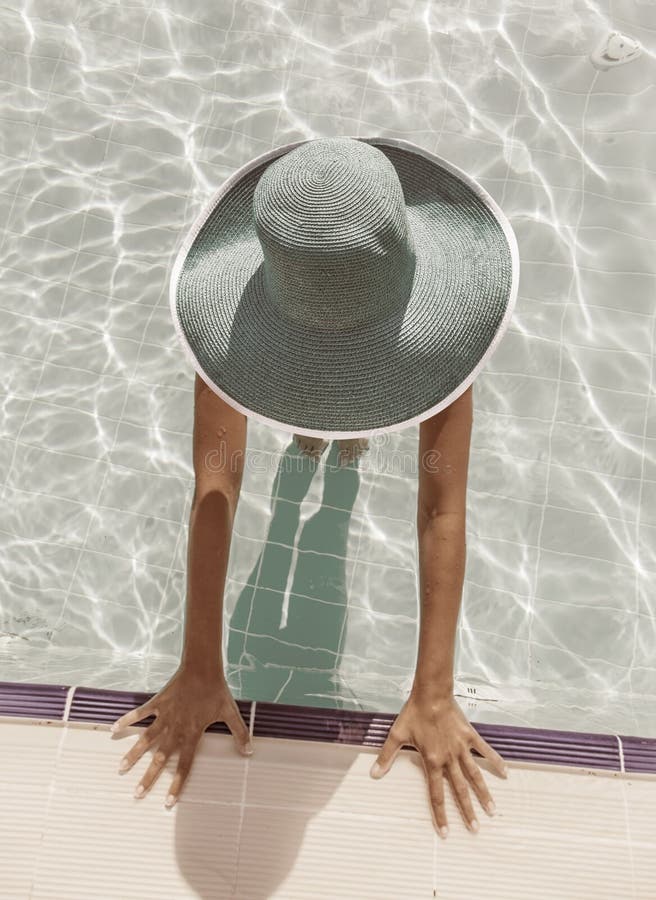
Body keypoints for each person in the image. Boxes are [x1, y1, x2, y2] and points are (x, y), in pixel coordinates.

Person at [110, 135, 520, 839]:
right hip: (355, 332)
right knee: (324, 430)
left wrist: (435, 692)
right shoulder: (428, 340)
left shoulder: (431, 342)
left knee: (329, 435)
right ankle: (325, 425)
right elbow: (219, 487)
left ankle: (332, 426)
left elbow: (439, 506)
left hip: (324, 332)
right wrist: (200, 664)